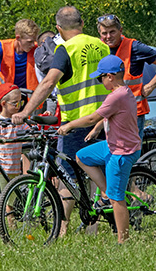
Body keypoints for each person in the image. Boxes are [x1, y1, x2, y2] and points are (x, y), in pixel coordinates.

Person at [12, 6, 109, 234]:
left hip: (77, 121)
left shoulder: (65, 49)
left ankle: (62, 227)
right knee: (98, 172)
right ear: (82, 23)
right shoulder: (101, 45)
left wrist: (26, 111)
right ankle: (92, 227)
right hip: (104, 119)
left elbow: (48, 83)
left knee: (68, 176)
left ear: (58, 29)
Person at [58, 55, 142, 244]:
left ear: (111, 76)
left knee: (117, 199)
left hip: (122, 151)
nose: (100, 81)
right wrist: (97, 129)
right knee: (82, 156)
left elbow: (91, 118)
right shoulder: (122, 92)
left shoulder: (117, 95)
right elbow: (109, 116)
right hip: (112, 144)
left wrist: (69, 125)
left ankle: (123, 241)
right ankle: (105, 193)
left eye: (101, 77)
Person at [96, 14, 156, 139]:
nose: (108, 37)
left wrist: (150, 86)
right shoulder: (98, 48)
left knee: (129, 154)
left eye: (112, 32)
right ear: (99, 33)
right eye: (104, 33)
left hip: (132, 114)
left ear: (120, 31)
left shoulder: (134, 47)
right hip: (106, 113)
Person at [0, 83, 31, 188]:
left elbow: (31, 133)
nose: (19, 106)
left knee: (10, 203)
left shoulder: (19, 121)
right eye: (15, 103)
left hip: (15, 170)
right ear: (3, 103)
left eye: (21, 102)